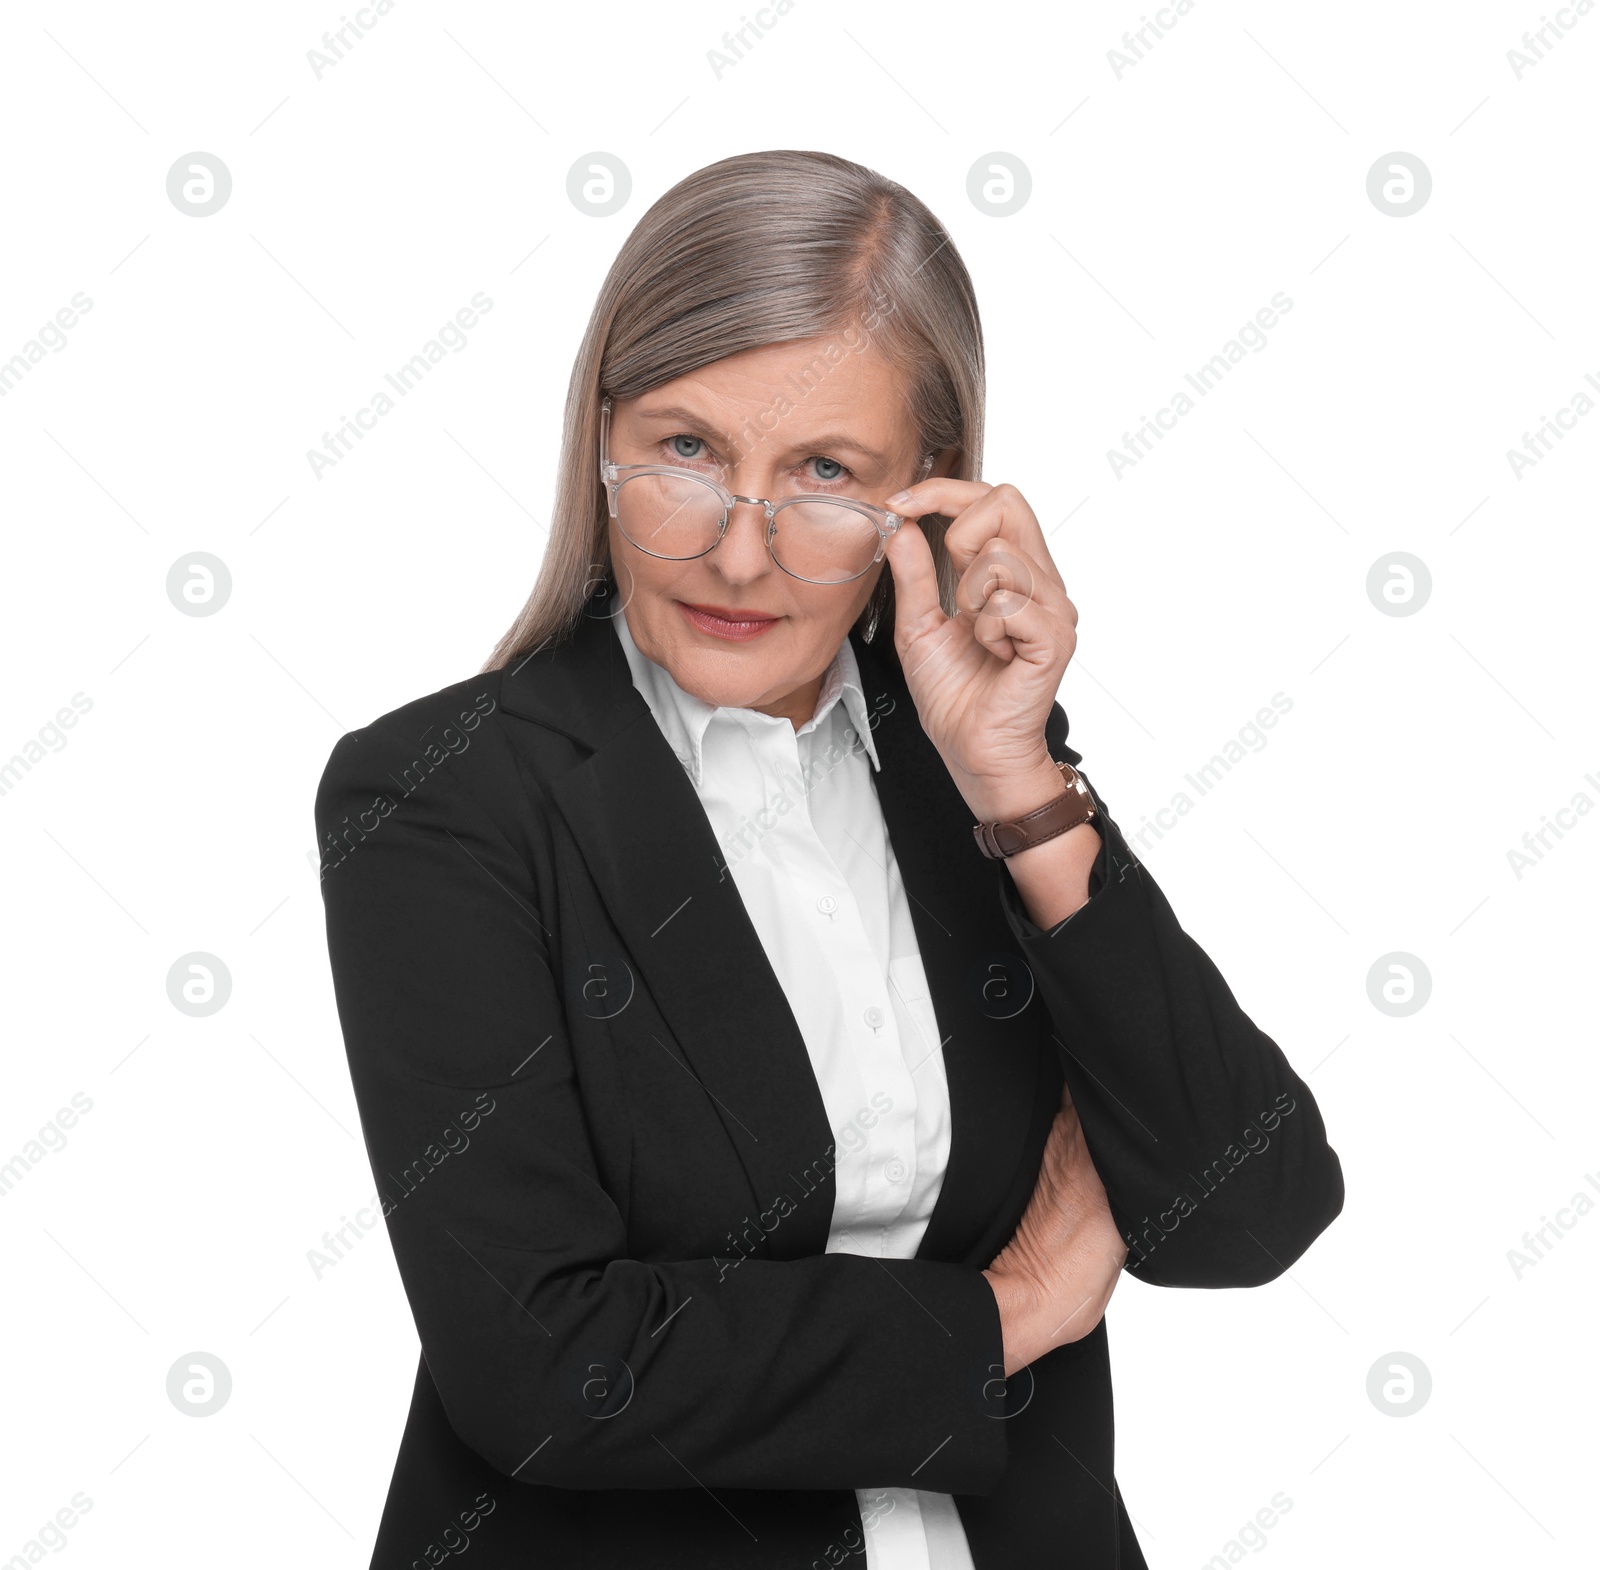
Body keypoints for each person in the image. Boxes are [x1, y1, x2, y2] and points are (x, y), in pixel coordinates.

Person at [315, 148, 1344, 1569]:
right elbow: (550, 1364)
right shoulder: (447, 797)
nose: (741, 553)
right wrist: (1016, 1306)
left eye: (822, 474)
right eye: (685, 452)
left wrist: (1020, 780)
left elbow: (1246, 1206)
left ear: (923, 499)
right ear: (600, 442)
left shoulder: (965, 776)